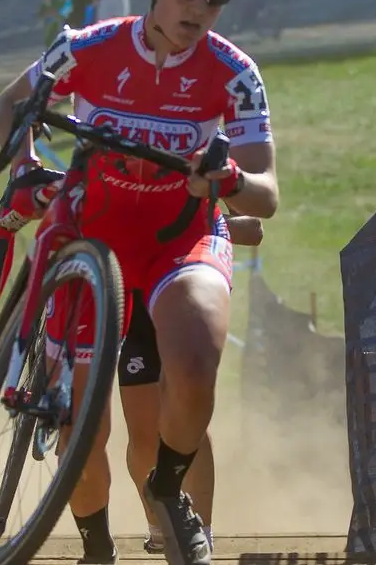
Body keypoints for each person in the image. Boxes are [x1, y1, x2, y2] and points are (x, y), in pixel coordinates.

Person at [0, 0, 277, 565]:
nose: (198, 8)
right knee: (80, 431)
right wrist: (28, 168)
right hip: (94, 248)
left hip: (181, 241)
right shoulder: (89, 48)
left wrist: (226, 175)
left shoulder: (234, 74)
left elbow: (266, 192)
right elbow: (10, 108)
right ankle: (96, 549)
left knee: (194, 368)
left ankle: (171, 501)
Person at [122, 210, 263, 555]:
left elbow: (253, 226)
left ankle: (201, 534)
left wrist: (205, 224)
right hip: (138, 282)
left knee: (186, 411)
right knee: (143, 431)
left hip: (188, 272)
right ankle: (158, 526)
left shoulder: (202, 158)